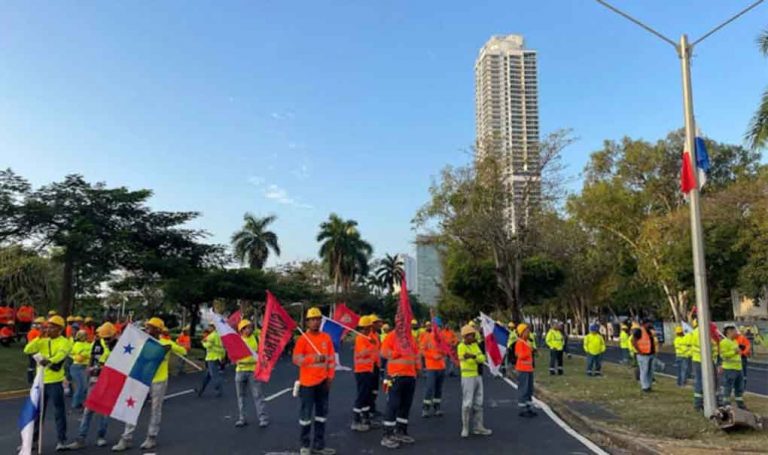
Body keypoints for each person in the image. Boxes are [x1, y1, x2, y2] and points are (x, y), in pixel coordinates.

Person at [112, 317, 187, 451]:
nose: (147, 329)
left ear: (158, 330)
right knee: (132, 407)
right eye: (147, 327)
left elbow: (184, 351)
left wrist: (171, 347)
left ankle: (151, 437)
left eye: (151, 327)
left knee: (155, 409)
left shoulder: (165, 343)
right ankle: (126, 438)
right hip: (141, 378)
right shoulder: (142, 342)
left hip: (159, 380)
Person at [23, 315, 73, 451]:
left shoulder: (65, 342)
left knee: (59, 412)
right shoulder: (43, 340)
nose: (48, 330)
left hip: (55, 382)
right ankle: (33, 441)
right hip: (40, 381)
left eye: (52, 327)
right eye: (47, 327)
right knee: (37, 413)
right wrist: (39, 338)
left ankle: (61, 441)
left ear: (60, 329)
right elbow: (27, 349)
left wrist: (49, 361)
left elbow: (61, 355)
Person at [66, 322, 119, 450]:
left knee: (104, 410)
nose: (105, 340)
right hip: (95, 379)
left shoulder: (118, 347)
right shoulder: (96, 343)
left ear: (113, 336)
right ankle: (81, 438)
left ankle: (101, 436)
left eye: (108, 338)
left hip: (109, 381)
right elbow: (91, 357)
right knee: (88, 409)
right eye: (103, 337)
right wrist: (90, 369)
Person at [292, 307, 336, 455]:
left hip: (323, 382)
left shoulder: (326, 338)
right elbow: (296, 359)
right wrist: (313, 358)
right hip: (307, 384)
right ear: (307, 322)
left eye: (318, 319)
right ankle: (305, 445)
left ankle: (319, 445)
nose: (315, 322)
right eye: (312, 320)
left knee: (321, 415)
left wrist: (330, 377)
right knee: (306, 416)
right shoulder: (303, 339)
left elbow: (331, 360)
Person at [380, 318, 419, 449]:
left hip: (410, 376)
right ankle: (387, 435)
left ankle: (401, 431)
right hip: (395, 377)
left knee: (405, 405)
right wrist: (397, 353)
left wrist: (418, 369)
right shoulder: (392, 336)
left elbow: (416, 354)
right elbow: (384, 352)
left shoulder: (411, 338)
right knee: (393, 405)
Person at [457, 324, 492, 438]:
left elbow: (482, 358)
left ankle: (478, 427)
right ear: (465, 336)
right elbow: (467, 359)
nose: (472, 337)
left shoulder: (475, 345)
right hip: (467, 377)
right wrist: (474, 357)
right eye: (470, 335)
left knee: (479, 403)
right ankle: (465, 427)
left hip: (477, 376)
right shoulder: (461, 346)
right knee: (467, 403)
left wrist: (473, 357)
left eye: (473, 335)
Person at [233, 319, 268, 427]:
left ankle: (263, 419)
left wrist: (263, 360)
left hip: (253, 371)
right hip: (240, 370)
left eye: (250, 327)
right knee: (241, 396)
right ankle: (242, 418)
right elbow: (233, 355)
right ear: (241, 330)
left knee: (258, 395)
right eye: (247, 328)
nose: (249, 329)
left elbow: (263, 352)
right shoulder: (237, 341)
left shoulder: (257, 339)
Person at [352, 316, 376, 431]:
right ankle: (356, 421)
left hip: (367, 370)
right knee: (362, 396)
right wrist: (372, 345)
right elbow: (362, 353)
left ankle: (366, 419)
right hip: (362, 371)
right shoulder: (360, 338)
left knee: (366, 396)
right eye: (364, 328)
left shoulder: (368, 337)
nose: (365, 330)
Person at [420, 319, 446, 418]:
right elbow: (422, 350)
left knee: (438, 389)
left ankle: (437, 407)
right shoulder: (427, 337)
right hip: (431, 367)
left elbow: (446, 350)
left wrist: (442, 353)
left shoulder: (442, 338)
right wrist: (432, 356)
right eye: (436, 327)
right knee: (429, 388)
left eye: (439, 327)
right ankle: (425, 408)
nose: (438, 329)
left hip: (441, 367)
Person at [720, 325, 746, 409]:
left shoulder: (734, 341)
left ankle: (740, 404)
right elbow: (723, 355)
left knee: (739, 387)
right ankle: (726, 404)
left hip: (738, 368)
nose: (737, 333)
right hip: (729, 368)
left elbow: (737, 353)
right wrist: (734, 352)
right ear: (729, 332)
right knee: (728, 386)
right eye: (735, 331)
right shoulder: (724, 342)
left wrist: (739, 350)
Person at [515, 324, 537, 418]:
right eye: (527, 332)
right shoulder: (519, 343)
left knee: (529, 389)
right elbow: (519, 355)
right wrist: (529, 351)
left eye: (528, 331)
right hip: (522, 369)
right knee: (523, 389)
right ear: (522, 333)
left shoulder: (527, 342)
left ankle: (529, 407)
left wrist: (533, 350)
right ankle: (523, 409)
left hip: (529, 368)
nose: (528, 333)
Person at [197, 322, 225, 398]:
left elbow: (207, 346)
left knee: (214, 375)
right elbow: (222, 347)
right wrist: (223, 357)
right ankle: (201, 389)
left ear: (213, 327)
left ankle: (218, 390)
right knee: (208, 375)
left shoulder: (211, 336)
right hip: (217, 357)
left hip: (211, 358)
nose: (209, 328)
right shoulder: (219, 335)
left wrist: (203, 342)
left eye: (210, 326)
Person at [69, 330, 92, 410]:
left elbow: (90, 353)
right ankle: (76, 403)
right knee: (81, 386)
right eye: (83, 335)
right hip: (77, 367)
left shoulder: (88, 344)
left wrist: (86, 354)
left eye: (85, 335)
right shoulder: (77, 344)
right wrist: (87, 353)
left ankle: (81, 402)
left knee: (85, 386)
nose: (85, 336)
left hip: (86, 366)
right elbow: (82, 354)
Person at [632, 319, 656, 393]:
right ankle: (645, 387)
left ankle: (648, 386)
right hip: (643, 355)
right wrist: (639, 351)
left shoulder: (649, 331)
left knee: (650, 371)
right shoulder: (639, 331)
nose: (651, 324)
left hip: (651, 354)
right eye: (650, 323)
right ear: (645, 324)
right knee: (644, 371)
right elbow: (633, 341)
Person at [368, 314, 383, 419]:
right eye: (377, 322)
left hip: (376, 365)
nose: (379, 324)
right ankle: (367, 411)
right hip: (369, 366)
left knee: (374, 389)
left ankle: (372, 408)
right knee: (368, 390)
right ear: (372, 324)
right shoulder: (366, 336)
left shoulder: (377, 335)